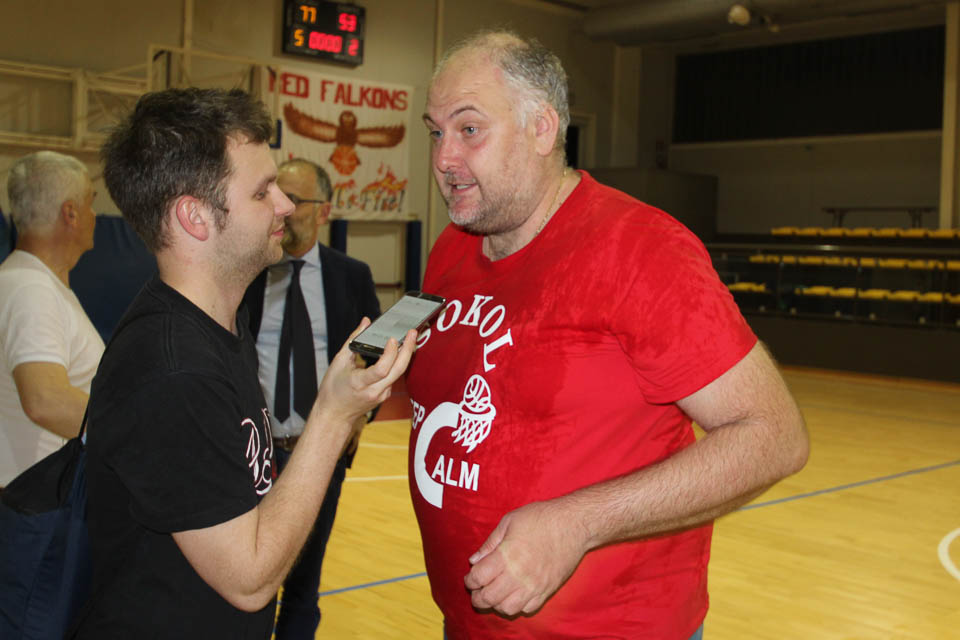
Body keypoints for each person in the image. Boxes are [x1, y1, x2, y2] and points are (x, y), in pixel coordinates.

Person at [406, 30, 810, 640]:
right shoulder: (452, 249)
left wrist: (577, 523)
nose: (443, 158)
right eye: (435, 132)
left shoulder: (642, 250)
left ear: (542, 129)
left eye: (468, 129)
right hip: (466, 625)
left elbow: (774, 436)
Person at [74, 88, 415, 638]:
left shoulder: (221, 328)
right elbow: (250, 578)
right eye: (262, 192)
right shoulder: (173, 370)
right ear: (195, 216)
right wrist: (333, 415)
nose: (285, 205)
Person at [241, 157, 381, 638]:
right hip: (253, 454)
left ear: (324, 211)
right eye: (274, 195)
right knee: (248, 587)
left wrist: (359, 418)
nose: (281, 208)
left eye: (295, 199)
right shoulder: (249, 270)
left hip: (319, 454)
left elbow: (374, 358)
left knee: (302, 589)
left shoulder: (352, 276)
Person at [0, 151, 104, 487]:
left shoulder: (31, 283)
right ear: (70, 213)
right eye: (90, 203)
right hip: (32, 503)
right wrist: (137, 430)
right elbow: (46, 400)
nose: (94, 215)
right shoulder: (31, 289)